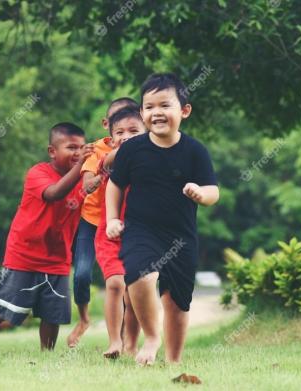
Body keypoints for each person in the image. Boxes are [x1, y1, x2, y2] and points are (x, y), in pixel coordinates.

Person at [105, 73, 220, 365]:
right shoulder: (132, 149)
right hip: (140, 230)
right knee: (140, 275)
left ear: (184, 110)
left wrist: (200, 194)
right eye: (149, 106)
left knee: (177, 303)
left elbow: (213, 191)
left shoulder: (195, 151)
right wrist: (111, 219)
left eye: (164, 105)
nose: (156, 112)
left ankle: (174, 361)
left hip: (182, 236)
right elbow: (114, 185)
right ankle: (152, 337)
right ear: (142, 113)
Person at [0, 122, 93, 350]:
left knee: (54, 309)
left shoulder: (83, 178)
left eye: (81, 148)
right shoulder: (38, 173)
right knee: (13, 300)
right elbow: (54, 193)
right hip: (25, 250)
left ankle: (46, 352)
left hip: (58, 254)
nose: (77, 153)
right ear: (52, 151)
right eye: (71, 147)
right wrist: (80, 167)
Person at [67, 97, 139, 348]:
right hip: (93, 220)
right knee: (83, 274)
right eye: (118, 125)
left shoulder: (144, 147)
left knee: (128, 284)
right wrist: (100, 175)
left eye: (132, 124)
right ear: (107, 125)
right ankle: (85, 319)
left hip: (128, 222)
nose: (125, 131)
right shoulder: (97, 150)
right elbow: (86, 184)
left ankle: (123, 337)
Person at [94, 107, 145, 358]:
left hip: (140, 237)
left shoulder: (151, 161)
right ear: (112, 138)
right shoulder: (110, 160)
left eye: (134, 131)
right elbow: (107, 161)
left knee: (134, 291)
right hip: (110, 235)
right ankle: (114, 341)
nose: (126, 136)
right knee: (115, 284)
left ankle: (131, 343)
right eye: (120, 132)